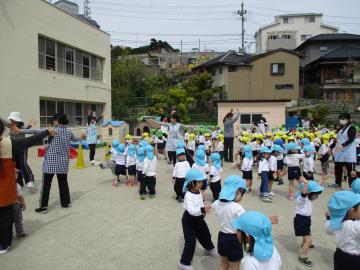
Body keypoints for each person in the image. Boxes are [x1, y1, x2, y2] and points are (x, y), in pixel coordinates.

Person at [0, 121, 54, 254]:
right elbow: (30, 141)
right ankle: (4, 243)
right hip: (5, 189)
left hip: (5, 189)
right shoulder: (8, 143)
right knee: (5, 216)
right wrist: (47, 132)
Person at [35, 113, 83, 214]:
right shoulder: (69, 132)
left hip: (50, 163)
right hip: (63, 162)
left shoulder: (52, 131)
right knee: (63, 183)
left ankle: (43, 207)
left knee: (46, 185)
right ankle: (65, 203)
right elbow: (76, 139)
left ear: (56, 121)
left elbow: (39, 136)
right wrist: (82, 136)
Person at [178, 169, 218, 270]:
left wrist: (203, 211)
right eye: (199, 182)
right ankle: (184, 262)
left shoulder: (198, 192)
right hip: (189, 221)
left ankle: (209, 249)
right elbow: (191, 210)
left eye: (201, 181)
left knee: (206, 234)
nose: (201, 184)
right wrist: (202, 209)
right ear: (191, 183)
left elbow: (200, 204)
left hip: (199, 219)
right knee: (191, 242)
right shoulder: (188, 195)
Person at [212, 176, 247, 270]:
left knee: (223, 264)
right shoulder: (238, 208)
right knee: (234, 266)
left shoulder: (216, 203)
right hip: (234, 239)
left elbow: (212, 207)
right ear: (238, 191)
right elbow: (246, 224)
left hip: (222, 237)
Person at [325, 191, 360, 270]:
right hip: (355, 259)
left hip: (339, 255)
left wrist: (329, 218)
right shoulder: (355, 226)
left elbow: (327, 229)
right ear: (353, 210)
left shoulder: (334, 224)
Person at [1, 112, 37, 188]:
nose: (11, 120)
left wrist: (29, 126)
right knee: (16, 165)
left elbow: (26, 130)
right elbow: (2, 121)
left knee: (23, 163)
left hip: (22, 148)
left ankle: (30, 180)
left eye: (12, 119)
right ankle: (19, 183)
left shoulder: (22, 128)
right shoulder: (10, 125)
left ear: (17, 120)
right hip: (13, 148)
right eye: (10, 119)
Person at [294, 178, 324, 267]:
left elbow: (316, 186)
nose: (317, 197)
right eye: (316, 195)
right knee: (308, 239)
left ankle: (305, 243)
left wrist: (322, 181)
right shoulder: (302, 199)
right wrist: (306, 183)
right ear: (309, 193)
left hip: (306, 219)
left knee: (307, 233)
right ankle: (303, 256)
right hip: (301, 220)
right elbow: (303, 194)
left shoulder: (309, 199)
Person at [331, 113, 357, 188]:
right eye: (340, 118)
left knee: (351, 171)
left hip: (348, 153)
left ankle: (353, 185)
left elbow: (351, 139)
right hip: (339, 153)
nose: (342, 120)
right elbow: (337, 140)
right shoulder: (340, 129)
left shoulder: (352, 128)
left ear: (348, 119)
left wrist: (343, 145)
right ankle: (338, 183)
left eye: (343, 118)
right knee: (338, 169)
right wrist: (331, 147)